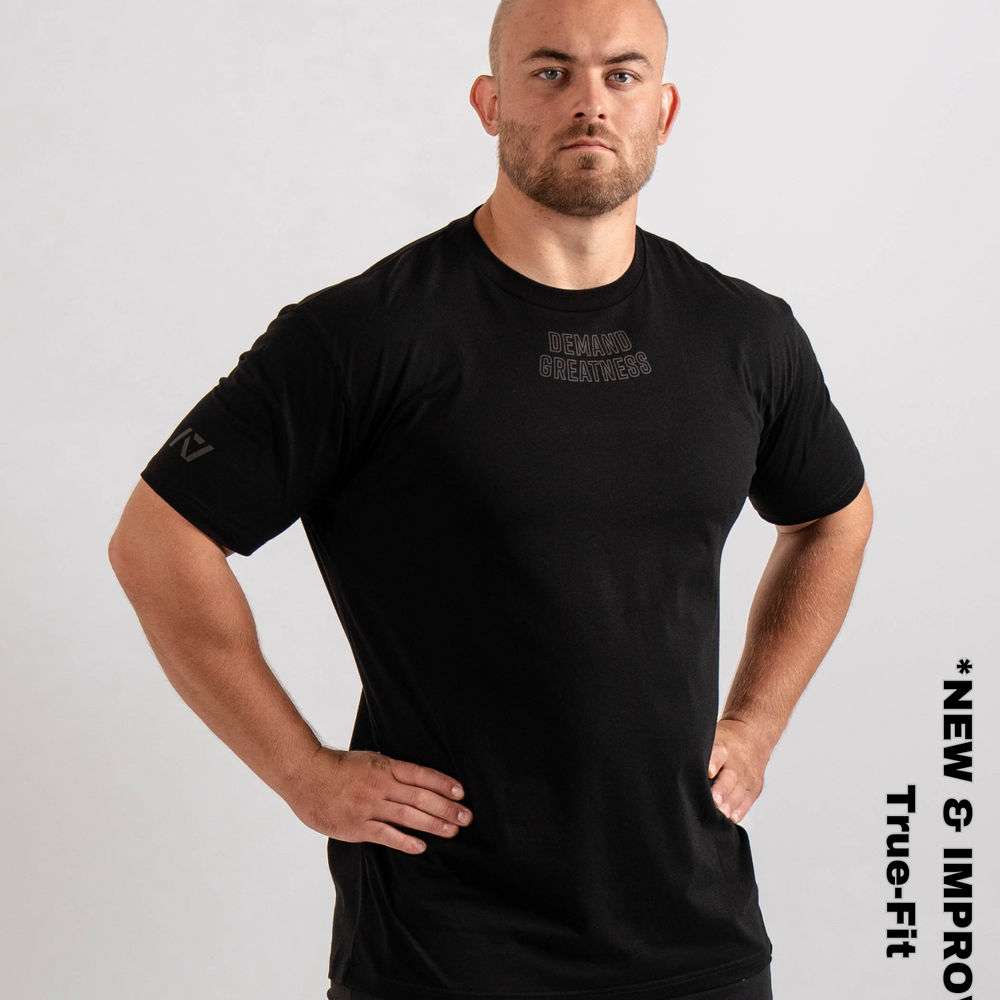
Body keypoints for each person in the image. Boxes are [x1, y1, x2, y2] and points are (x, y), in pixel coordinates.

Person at [108, 0, 873, 998]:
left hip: (697, 940)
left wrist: (757, 721)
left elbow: (832, 516)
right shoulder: (364, 337)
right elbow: (158, 542)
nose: (590, 102)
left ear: (664, 109)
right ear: (490, 102)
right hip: (443, 951)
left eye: (623, 74)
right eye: (550, 72)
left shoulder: (745, 335)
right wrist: (304, 772)